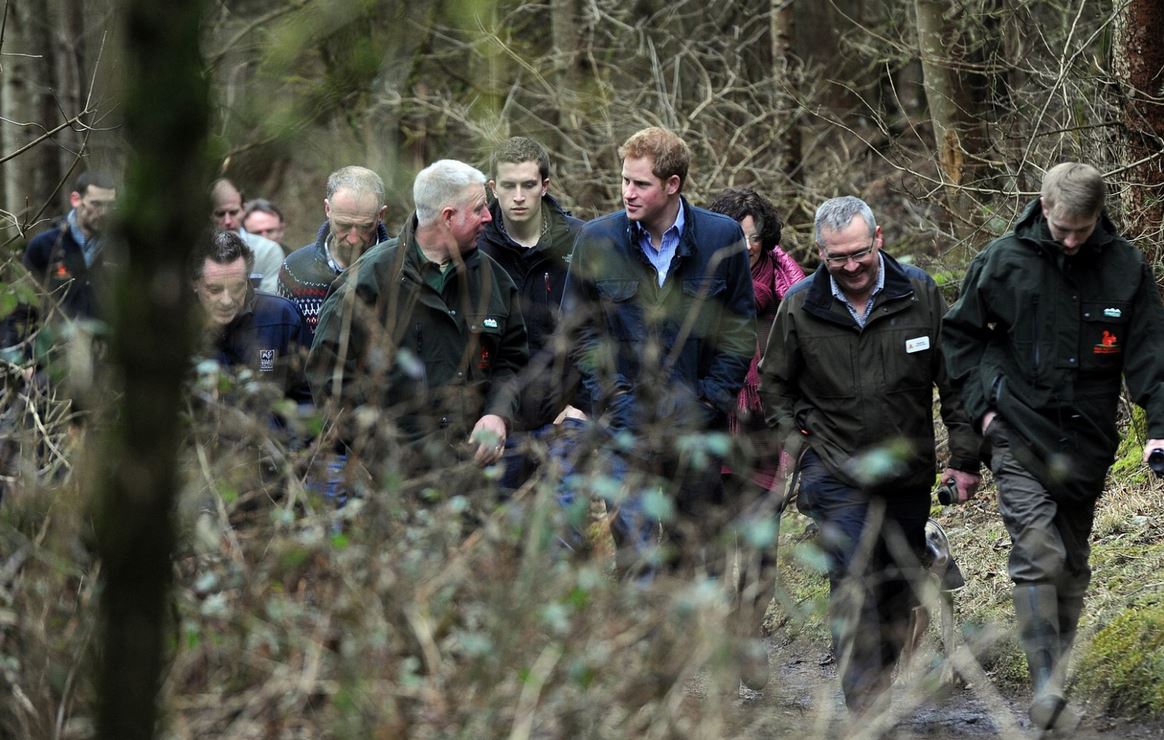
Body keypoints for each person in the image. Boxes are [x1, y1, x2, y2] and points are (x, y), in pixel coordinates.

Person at [942, 162, 1164, 732]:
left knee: (1071, 565)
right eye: (1061, 228)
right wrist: (983, 417)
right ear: (1043, 208)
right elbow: (960, 340)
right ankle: (1043, 686)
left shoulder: (1126, 268)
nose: (1069, 240)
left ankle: (1056, 675)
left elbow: (1149, 356)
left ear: (1098, 219)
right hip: (1015, 429)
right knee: (1038, 553)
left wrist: (1159, 427)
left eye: (1081, 231)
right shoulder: (1003, 261)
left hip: (1087, 440)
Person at [758, 195, 981, 711]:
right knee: (852, 573)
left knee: (899, 580)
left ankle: (879, 675)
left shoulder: (920, 295)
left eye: (859, 252)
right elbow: (775, 388)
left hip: (906, 469)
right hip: (834, 468)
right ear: (820, 253)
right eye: (837, 258)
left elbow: (955, 382)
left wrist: (964, 456)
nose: (851, 266)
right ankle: (862, 696)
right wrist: (801, 441)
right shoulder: (800, 308)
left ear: (878, 238)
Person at [561, 126, 756, 575]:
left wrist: (711, 397)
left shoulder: (720, 238)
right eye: (625, 181)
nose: (628, 193)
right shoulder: (597, 239)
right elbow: (580, 330)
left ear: (673, 185)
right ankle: (642, 645)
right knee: (634, 558)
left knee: (697, 554)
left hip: (697, 428)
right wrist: (614, 398)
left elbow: (739, 329)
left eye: (641, 184)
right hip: (625, 431)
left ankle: (694, 645)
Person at [306, 159, 528, 480]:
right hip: (391, 482)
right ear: (448, 217)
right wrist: (373, 450)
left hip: (474, 475)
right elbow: (327, 377)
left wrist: (497, 414)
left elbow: (512, 362)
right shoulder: (369, 280)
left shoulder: (495, 281)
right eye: (479, 208)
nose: (489, 217)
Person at [707, 187, 805, 690]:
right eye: (735, 239)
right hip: (715, 432)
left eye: (752, 237)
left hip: (769, 434)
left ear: (765, 235)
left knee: (761, 552)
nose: (745, 247)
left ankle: (747, 633)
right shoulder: (705, 287)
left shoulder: (795, 293)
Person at [477, 137, 584, 488]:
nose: (518, 196)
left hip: (562, 421)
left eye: (528, 185)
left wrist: (584, 406)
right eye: (508, 186)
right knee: (497, 534)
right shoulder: (474, 246)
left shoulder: (580, 241)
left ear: (545, 186)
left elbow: (601, 329)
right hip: (494, 423)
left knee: (562, 536)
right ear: (493, 187)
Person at [191, 230, 311, 404]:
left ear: (247, 279)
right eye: (215, 290)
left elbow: (307, 397)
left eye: (236, 288)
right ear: (195, 284)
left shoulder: (282, 316)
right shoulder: (173, 328)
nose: (226, 300)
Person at [277, 166, 389, 335]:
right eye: (343, 225)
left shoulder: (401, 268)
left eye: (365, 227)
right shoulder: (294, 270)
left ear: (381, 215)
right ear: (327, 209)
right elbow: (284, 345)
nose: (353, 239)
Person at [22, 171, 117, 321]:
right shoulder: (44, 245)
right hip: (58, 341)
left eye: (110, 205)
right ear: (76, 200)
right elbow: (23, 307)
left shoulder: (120, 248)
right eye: (96, 204)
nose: (104, 212)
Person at [210, 178, 284, 293]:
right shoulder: (194, 252)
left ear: (243, 209)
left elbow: (271, 303)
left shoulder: (268, 251)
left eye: (233, 212)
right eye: (220, 214)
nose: (228, 221)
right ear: (209, 215)